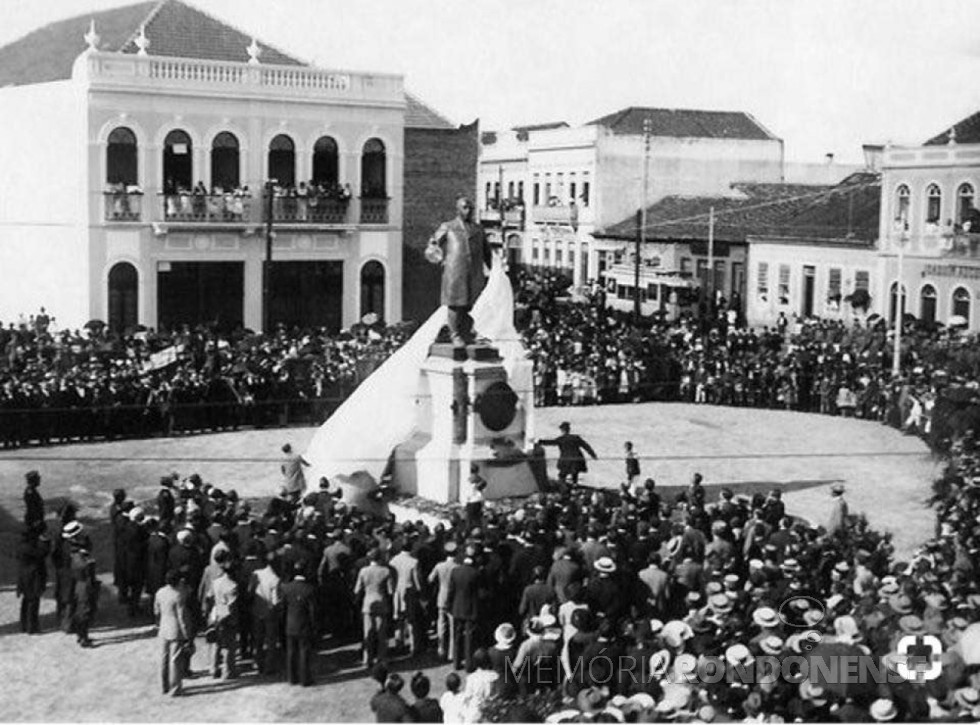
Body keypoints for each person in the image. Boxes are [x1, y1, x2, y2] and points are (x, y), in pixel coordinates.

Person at [426, 195, 492, 350]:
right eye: (465, 207)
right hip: (455, 272)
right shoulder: (448, 227)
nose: (468, 211)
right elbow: (433, 243)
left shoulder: (478, 229)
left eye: (471, 208)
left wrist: (495, 270)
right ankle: (455, 334)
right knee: (456, 304)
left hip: (474, 273)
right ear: (458, 209)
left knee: (472, 304)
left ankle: (468, 333)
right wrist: (434, 253)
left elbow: (487, 252)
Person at [354, 547, 395, 668]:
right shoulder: (385, 571)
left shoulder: (363, 571)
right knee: (381, 634)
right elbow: (391, 590)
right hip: (382, 602)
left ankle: (367, 659)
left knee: (368, 633)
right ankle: (382, 659)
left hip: (368, 603)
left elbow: (357, 589)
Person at [154, 569, 191, 696]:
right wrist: (187, 635)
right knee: (175, 660)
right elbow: (182, 618)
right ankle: (175, 688)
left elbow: (156, 611)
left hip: (163, 628)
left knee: (163, 658)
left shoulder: (160, 592)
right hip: (175, 630)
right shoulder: (178, 595)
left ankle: (163, 686)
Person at [281, 561, 317, 686]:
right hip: (304, 624)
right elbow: (312, 610)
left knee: (291, 652)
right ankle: (305, 678)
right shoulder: (309, 589)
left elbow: (283, 607)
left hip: (290, 624)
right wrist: (314, 626)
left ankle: (292, 677)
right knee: (304, 651)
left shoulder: (286, 588)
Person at [538, 422, 598, 488]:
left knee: (562, 475)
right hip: (577, 459)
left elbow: (551, 442)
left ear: (562, 430)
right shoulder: (576, 438)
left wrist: (540, 442)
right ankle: (574, 485)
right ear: (569, 429)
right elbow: (586, 446)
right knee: (575, 473)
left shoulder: (561, 439)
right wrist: (593, 455)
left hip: (566, 460)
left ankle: (563, 488)